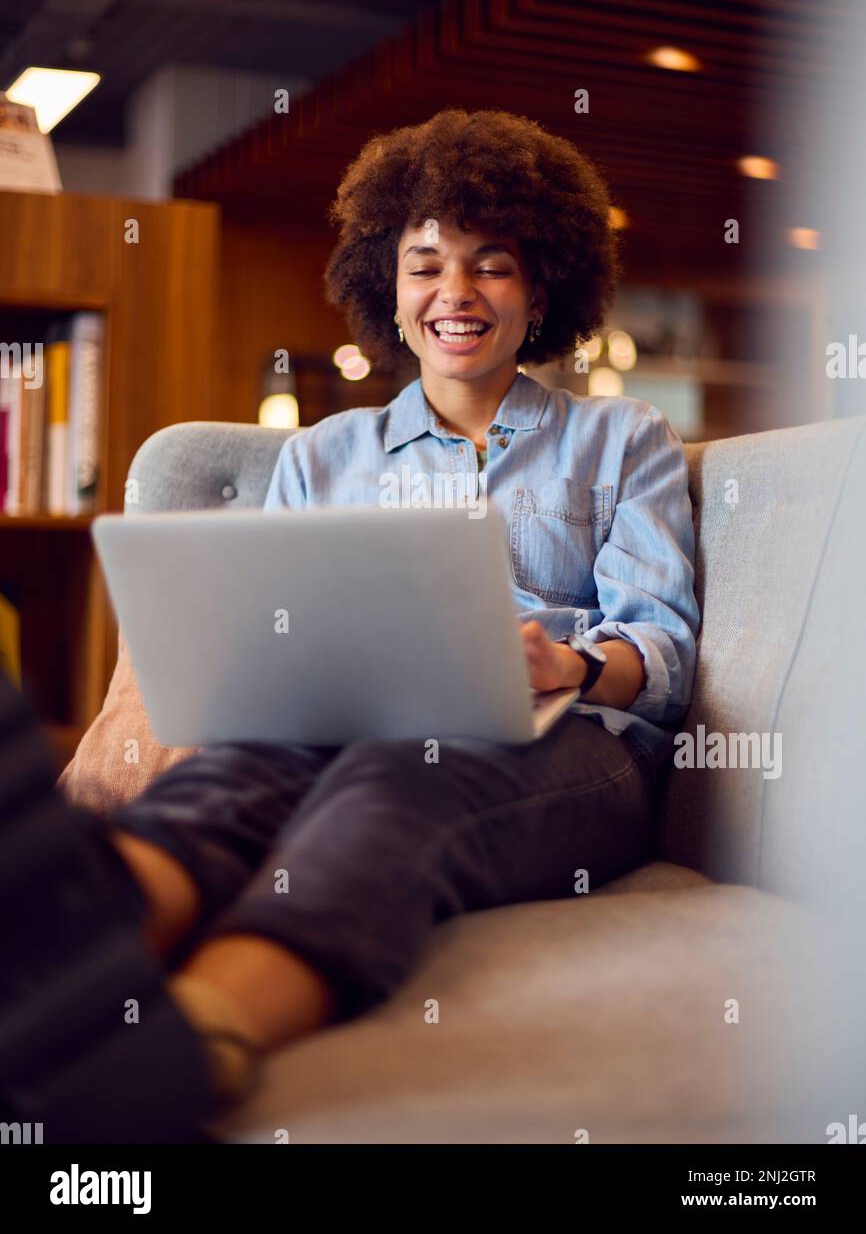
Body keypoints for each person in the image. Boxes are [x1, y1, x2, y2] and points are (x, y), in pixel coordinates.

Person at [0, 108, 700, 1142]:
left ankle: (200, 1033)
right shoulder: (324, 453)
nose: (453, 294)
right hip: (334, 725)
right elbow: (270, 633)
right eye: (424, 265)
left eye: (491, 265)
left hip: (566, 746)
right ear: (388, 286)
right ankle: (52, 950)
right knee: (235, 770)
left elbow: (667, 659)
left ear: (542, 286)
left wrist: (572, 661)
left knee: (395, 778)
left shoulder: (619, 436)